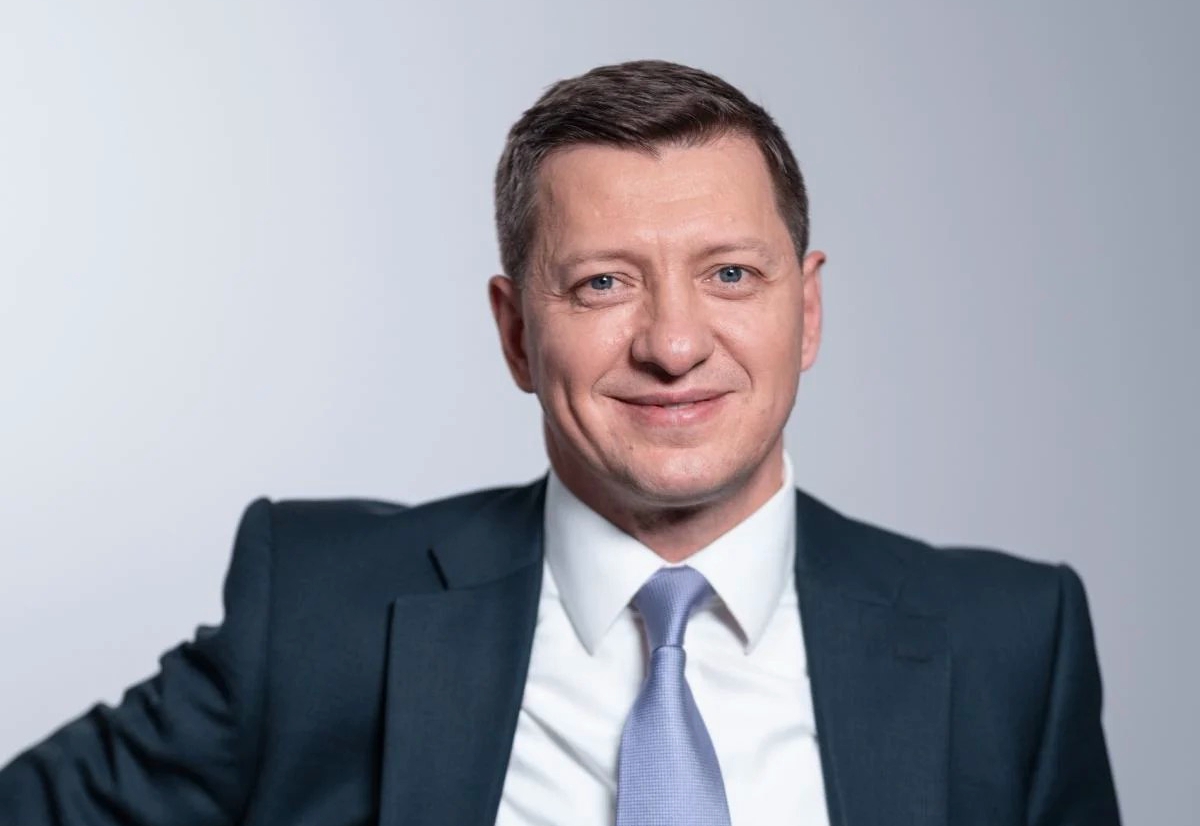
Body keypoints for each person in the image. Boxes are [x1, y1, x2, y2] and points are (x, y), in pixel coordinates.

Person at [0, 59, 1120, 826]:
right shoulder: (319, 615)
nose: (674, 344)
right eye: (602, 284)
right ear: (515, 332)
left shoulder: (1011, 645)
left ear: (808, 309)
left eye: (731, 274)